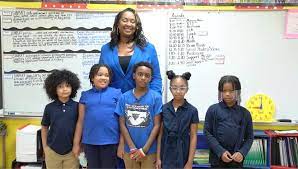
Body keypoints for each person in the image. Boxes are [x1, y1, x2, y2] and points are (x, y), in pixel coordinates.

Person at [99, 7, 162, 94]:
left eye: (132, 21)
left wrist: (154, 98)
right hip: (113, 102)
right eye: (124, 20)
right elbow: (100, 76)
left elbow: (156, 77)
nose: (128, 24)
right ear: (117, 24)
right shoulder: (106, 49)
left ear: (136, 26)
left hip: (141, 102)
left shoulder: (148, 49)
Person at [72, 64, 122, 169]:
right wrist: (76, 144)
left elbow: (122, 121)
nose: (104, 78)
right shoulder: (85, 95)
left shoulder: (117, 93)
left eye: (107, 75)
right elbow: (80, 121)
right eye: (100, 75)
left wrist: (122, 143)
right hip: (90, 142)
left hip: (111, 141)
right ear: (92, 77)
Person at [115, 62, 162, 169]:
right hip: (129, 151)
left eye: (147, 75)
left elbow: (157, 125)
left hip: (149, 151)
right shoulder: (124, 97)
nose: (143, 78)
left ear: (151, 78)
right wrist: (131, 147)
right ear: (134, 76)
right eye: (140, 74)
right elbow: (122, 124)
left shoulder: (156, 98)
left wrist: (144, 149)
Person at [203, 75, 254, 168]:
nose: (227, 94)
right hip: (217, 160)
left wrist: (242, 153)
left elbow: (249, 137)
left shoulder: (245, 113)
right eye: (224, 91)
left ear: (238, 92)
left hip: (236, 161)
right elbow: (207, 133)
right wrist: (220, 151)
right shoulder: (212, 110)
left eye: (231, 91)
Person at [156, 70, 199, 169]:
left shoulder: (192, 110)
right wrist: (158, 158)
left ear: (187, 89)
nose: (178, 91)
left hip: (183, 151)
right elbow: (160, 135)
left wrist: (189, 162)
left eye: (182, 88)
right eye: (175, 88)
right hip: (166, 152)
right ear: (170, 89)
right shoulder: (164, 108)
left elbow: (193, 137)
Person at [41, 69, 80, 169]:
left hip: (72, 152)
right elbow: (44, 127)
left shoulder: (78, 106)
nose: (64, 89)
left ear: (73, 87)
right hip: (52, 151)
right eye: (60, 86)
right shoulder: (49, 107)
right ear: (54, 89)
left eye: (67, 86)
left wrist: (79, 146)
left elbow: (80, 128)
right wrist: (45, 148)